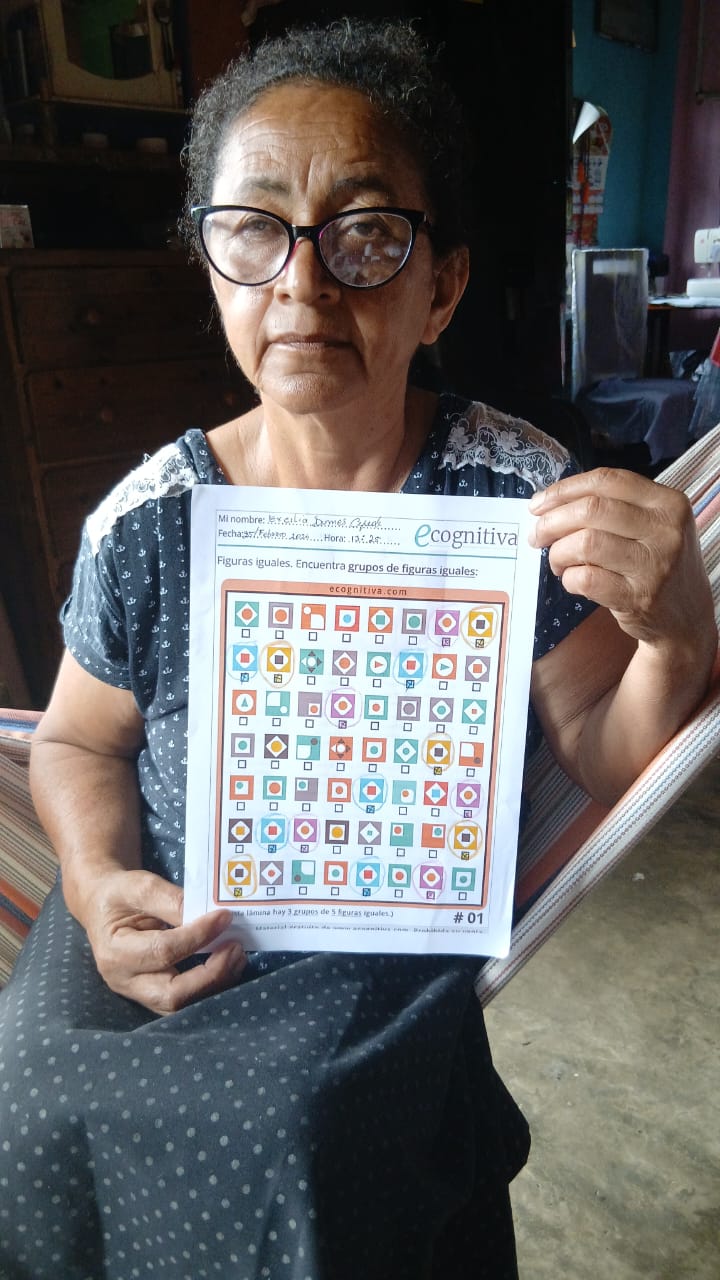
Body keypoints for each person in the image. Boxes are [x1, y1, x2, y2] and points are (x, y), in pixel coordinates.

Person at [0, 20, 715, 1280]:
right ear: (213, 267)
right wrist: (101, 880)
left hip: (374, 923)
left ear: (443, 286)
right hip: (153, 897)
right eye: (255, 228)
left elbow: (606, 754)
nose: (305, 282)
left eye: (368, 232)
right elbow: (72, 740)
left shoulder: (513, 499)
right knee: (29, 1093)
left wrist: (677, 631)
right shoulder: (151, 520)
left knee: (295, 1130)